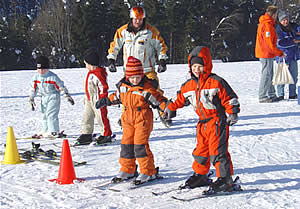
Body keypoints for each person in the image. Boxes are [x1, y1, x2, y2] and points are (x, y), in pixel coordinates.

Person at [164, 46, 240, 194]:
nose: (197, 69)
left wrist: (233, 112)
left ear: (207, 65)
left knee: (217, 151)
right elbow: (179, 98)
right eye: (194, 66)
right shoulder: (188, 85)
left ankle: (225, 179)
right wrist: (170, 108)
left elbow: (229, 98)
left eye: (200, 66)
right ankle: (201, 175)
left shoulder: (216, 82)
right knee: (200, 151)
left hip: (217, 121)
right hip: (202, 123)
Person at [95, 56, 168, 185]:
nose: (135, 80)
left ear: (141, 75)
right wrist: (106, 100)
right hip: (127, 119)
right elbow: (116, 97)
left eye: (137, 77)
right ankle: (128, 169)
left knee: (140, 145)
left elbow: (159, 100)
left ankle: (148, 171)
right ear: (127, 77)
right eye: (132, 77)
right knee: (126, 144)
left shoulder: (147, 89)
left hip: (143, 119)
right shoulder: (123, 87)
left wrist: (166, 108)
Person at [106, 5, 171, 126]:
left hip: (147, 70)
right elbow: (115, 46)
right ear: (131, 18)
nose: (138, 21)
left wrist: (162, 60)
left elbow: (161, 46)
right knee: (127, 93)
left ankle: (164, 114)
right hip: (130, 72)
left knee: (154, 91)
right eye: (135, 19)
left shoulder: (151, 32)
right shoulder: (122, 31)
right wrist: (111, 59)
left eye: (140, 19)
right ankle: (126, 115)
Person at [74, 48, 113, 146]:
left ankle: (106, 134)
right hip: (89, 99)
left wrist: (102, 98)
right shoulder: (91, 73)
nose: (86, 66)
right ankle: (86, 133)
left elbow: (103, 87)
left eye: (86, 64)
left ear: (91, 65)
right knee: (87, 116)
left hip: (97, 99)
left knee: (101, 117)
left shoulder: (98, 74)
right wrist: (86, 97)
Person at [29, 55, 75, 138]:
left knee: (51, 114)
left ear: (47, 68)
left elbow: (61, 87)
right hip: (44, 97)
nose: (41, 71)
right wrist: (31, 99)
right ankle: (45, 130)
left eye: (43, 69)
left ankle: (53, 131)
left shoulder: (52, 77)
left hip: (53, 97)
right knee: (44, 114)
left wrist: (66, 96)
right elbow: (33, 89)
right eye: (39, 69)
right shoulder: (36, 77)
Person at [255, 5, 284, 103]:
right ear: (274, 14)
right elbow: (269, 43)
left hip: (267, 53)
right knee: (266, 74)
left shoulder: (268, 23)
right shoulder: (267, 25)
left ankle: (271, 93)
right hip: (265, 53)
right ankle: (262, 95)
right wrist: (279, 52)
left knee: (270, 73)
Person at [275, 10, 300, 100]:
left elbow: (298, 32)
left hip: (293, 55)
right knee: (282, 75)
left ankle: (292, 93)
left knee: (294, 75)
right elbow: (280, 43)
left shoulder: (293, 27)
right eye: (283, 20)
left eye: (286, 19)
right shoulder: (278, 29)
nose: (285, 21)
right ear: (280, 21)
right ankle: (280, 94)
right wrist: (294, 42)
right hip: (283, 56)